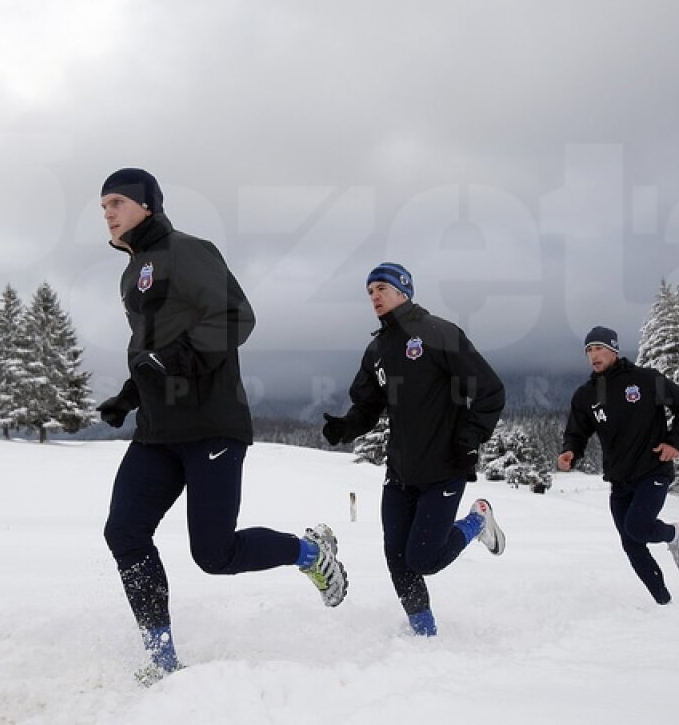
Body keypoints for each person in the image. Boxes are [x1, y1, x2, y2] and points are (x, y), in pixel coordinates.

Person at [96, 167, 347, 683]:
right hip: (157, 431)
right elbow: (152, 350)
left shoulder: (189, 250)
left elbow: (235, 317)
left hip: (211, 423)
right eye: (103, 207)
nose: (109, 213)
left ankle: (310, 553)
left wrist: (176, 360)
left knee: (215, 554)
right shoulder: (131, 271)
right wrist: (129, 395)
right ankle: (161, 658)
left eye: (117, 202)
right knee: (124, 531)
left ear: (147, 204)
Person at [321, 262, 506, 636]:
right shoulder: (377, 349)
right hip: (401, 472)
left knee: (423, 558)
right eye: (369, 290)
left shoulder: (438, 333)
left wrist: (469, 439)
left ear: (404, 290)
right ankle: (425, 632)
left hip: (445, 466)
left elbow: (490, 390)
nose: (373, 295)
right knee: (397, 557)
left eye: (381, 288)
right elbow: (368, 406)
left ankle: (476, 522)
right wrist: (347, 426)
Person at [557, 326, 679, 605]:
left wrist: (675, 443)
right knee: (632, 545)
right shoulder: (586, 395)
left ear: (614, 350)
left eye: (598, 348)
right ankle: (665, 603)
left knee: (638, 527)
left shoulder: (646, 380)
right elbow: (577, 431)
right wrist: (570, 451)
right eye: (588, 350)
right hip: (619, 479)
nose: (593, 355)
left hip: (653, 470)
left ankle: (673, 533)